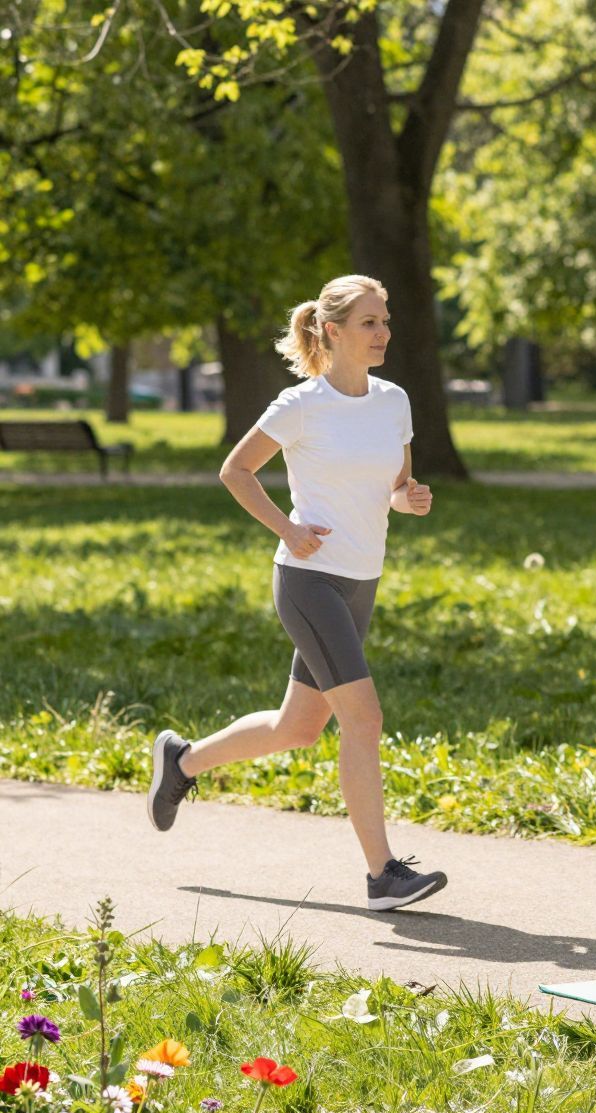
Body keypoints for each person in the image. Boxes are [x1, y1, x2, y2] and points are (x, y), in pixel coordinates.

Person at [146, 273, 447, 912]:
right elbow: (236, 470)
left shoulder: (393, 401)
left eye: (386, 321)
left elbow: (396, 486)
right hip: (309, 582)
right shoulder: (300, 404)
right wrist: (287, 528)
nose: (384, 332)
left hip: (362, 580)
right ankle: (382, 874)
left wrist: (410, 499)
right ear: (332, 331)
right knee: (364, 719)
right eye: (369, 322)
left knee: (298, 727)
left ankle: (182, 762)